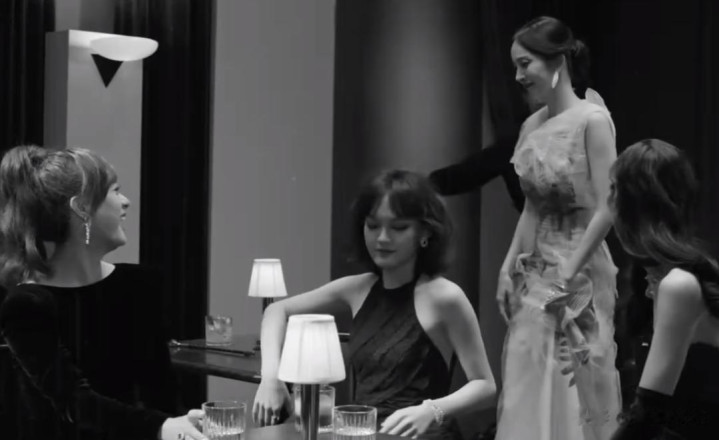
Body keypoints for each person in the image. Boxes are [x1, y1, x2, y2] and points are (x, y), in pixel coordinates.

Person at [252, 169, 496, 439]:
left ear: (424, 232)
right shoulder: (358, 288)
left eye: (398, 228)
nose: (382, 238)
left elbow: (485, 385)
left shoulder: (445, 297)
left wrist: (432, 410)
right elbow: (276, 311)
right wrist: (271, 378)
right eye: (373, 225)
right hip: (361, 433)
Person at [0, 145, 206, 440]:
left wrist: (182, 424)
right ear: (81, 208)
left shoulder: (139, 284)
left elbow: (162, 393)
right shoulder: (27, 305)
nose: (126, 202)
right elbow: (76, 404)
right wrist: (161, 427)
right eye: (115, 191)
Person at [494, 16, 622, 440]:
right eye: (515, 65)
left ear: (557, 61)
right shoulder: (531, 126)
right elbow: (532, 207)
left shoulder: (592, 120)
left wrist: (570, 269)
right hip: (537, 271)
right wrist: (508, 265)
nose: (518, 75)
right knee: (529, 374)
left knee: (574, 372)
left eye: (525, 63)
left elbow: (608, 204)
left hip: (580, 267)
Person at [608, 139, 719, 439]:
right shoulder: (653, 280)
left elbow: (649, 415)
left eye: (613, 189)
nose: (606, 202)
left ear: (633, 204)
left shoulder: (678, 285)